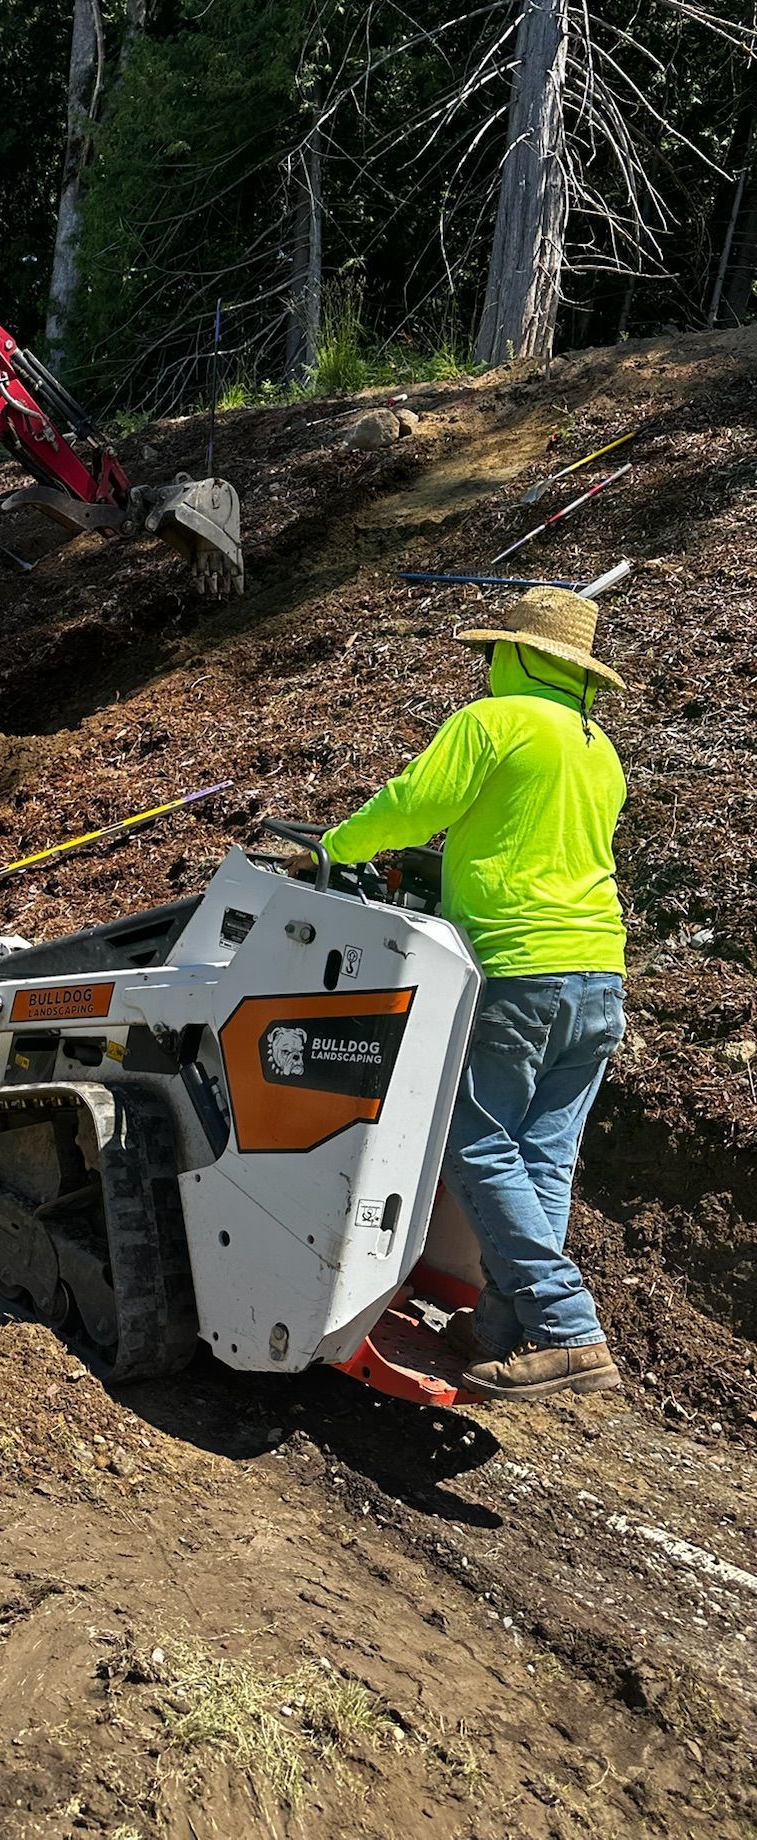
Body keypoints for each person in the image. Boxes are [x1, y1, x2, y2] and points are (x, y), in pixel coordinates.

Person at [291, 587, 628, 1404]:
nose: (485, 667)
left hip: (517, 966)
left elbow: (416, 806)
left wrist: (333, 848)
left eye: (493, 654)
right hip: (599, 973)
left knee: (471, 1142)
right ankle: (508, 1330)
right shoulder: (599, 751)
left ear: (517, 656)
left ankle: (569, 1325)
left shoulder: (496, 722)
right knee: (540, 1155)